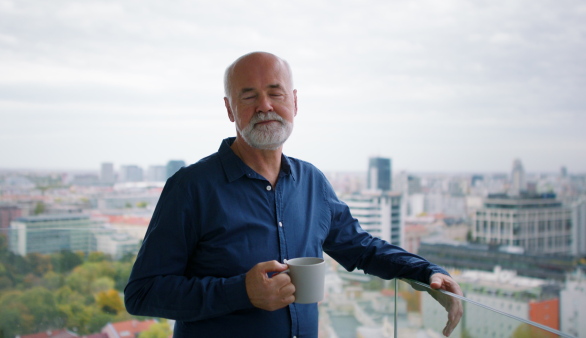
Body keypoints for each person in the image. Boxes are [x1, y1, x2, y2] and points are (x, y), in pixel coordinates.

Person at [124, 51, 463, 337]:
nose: (265, 106)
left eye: (276, 92)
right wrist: (240, 292)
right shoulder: (191, 187)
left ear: (295, 102)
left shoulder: (311, 181)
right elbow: (142, 293)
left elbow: (361, 247)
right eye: (249, 96)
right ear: (230, 110)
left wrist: (427, 272)